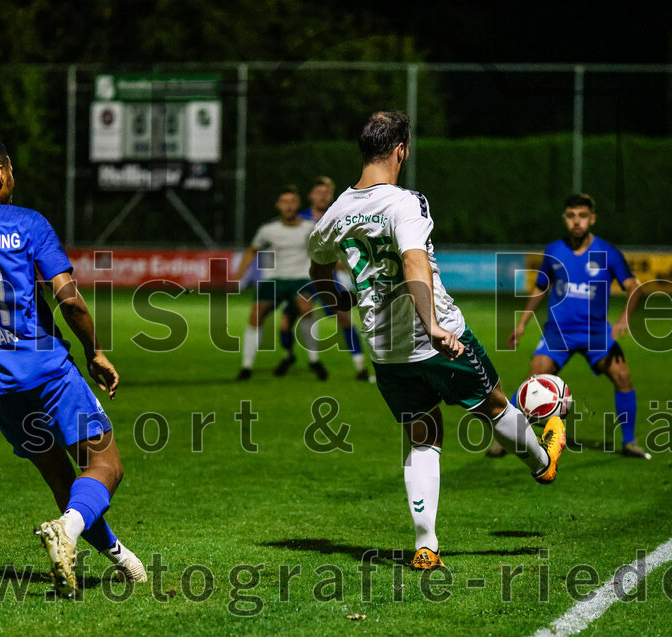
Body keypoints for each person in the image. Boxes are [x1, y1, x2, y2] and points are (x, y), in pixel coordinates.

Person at [308, 111, 565, 570]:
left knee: (422, 437)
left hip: (385, 350)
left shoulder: (335, 213)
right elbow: (414, 261)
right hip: (437, 335)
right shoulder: (406, 202)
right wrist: (431, 325)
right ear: (400, 150)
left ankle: (426, 546)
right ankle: (542, 463)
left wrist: (341, 301)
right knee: (494, 405)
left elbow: (318, 268)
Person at [0, 135, 147, 595]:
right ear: (1, 173)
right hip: (48, 371)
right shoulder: (28, 223)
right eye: (11, 170)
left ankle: (120, 557)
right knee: (105, 466)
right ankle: (68, 531)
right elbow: (69, 300)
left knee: (60, 476)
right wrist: (94, 351)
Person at [497, 194, 648, 459]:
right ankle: (505, 439)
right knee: (531, 383)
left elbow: (634, 287)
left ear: (592, 219)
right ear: (564, 218)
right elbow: (541, 287)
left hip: (596, 333)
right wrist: (522, 323)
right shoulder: (554, 250)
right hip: (559, 333)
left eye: (582, 216)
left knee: (622, 376)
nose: (576, 222)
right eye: (571, 216)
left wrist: (624, 318)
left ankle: (629, 441)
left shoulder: (607, 252)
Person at [279, 176, 372, 381]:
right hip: (301, 277)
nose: (322, 196)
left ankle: (360, 367)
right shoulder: (299, 219)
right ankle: (288, 356)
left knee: (344, 317)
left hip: (328, 278)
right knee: (286, 322)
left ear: (332, 196)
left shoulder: (339, 217)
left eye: (327, 193)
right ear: (311, 195)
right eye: (319, 192)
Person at [232, 185, 326, 381]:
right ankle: (246, 366)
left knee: (305, 307)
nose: (289, 206)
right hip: (274, 280)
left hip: (300, 279)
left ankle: (314, 360)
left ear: (298, 204)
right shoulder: (268, 230)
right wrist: (238, 275)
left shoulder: (310, 227)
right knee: (256, 314)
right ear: (278, 205)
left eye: (292, 202)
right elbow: (252, 250)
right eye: (285, 202)